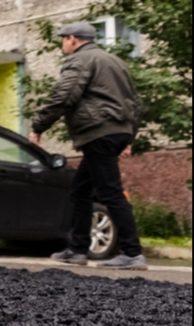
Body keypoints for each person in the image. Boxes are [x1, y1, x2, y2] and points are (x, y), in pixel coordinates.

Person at [30, 21, 145, 270]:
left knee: (111, 192)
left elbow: (65, 95)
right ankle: (77, 249)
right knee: (80, 190)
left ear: (73, 39)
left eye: (63, 39)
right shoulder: (115, 62)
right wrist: (128, 136)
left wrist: (39, 125)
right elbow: (135, 102)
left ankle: (133, 253)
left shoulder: (80, 60)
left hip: (98, 132)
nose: (63, 44)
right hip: (115, 131)